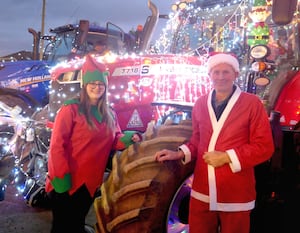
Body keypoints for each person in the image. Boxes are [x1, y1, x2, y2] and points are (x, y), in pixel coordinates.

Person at [154, 52, 274, 233]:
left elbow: (264, 147)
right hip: (202, 190)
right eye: (216, 72)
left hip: (236, 191)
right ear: (209, 75)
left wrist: (226, 157)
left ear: (235, 74)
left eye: (226, 72)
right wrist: (179, 153)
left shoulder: (252, 104)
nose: (221, 77)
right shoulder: (201, 103)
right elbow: (197, 139)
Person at [45, 54, 141, 233]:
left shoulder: (109, 114)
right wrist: (60, 179)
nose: (97, 88)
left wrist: (129, 137)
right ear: (85, 85)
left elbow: (114, 139)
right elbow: (57, 146)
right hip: (67, 182)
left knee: (77, 223)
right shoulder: (71, 109)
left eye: (100, 85)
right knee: (62, 228)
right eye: (93, 84)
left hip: (90, 183)